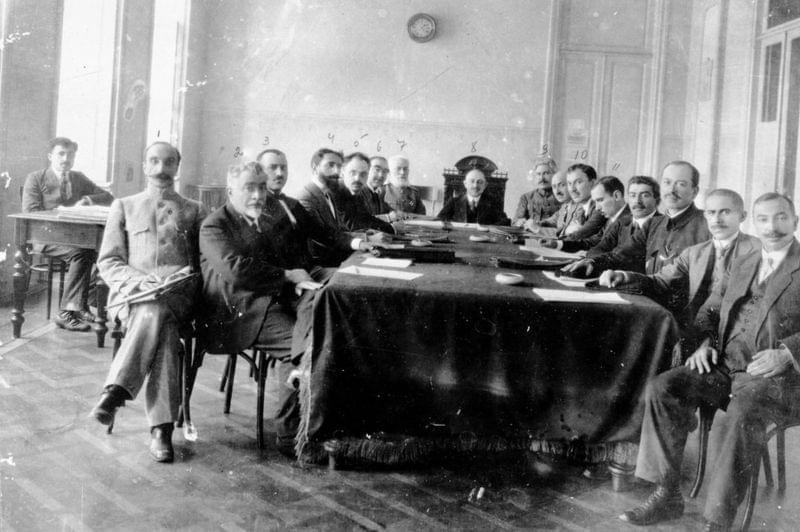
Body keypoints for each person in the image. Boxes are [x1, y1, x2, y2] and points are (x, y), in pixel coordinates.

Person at [619, 192, 800, 531]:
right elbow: (711, 309)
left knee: (738, 415)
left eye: (780, 218)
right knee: (663, 387)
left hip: (776, 378)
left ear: (795, 221)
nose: (772, 227)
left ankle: (717, 522)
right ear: (754, 221)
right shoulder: (744, 261)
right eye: (763, 219)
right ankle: (666, 493)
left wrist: (788, 353)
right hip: (726, 364)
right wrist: (704, 342)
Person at [89, 142, 206, 463]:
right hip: (132, 298)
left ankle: (116, 392)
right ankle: (161, 431)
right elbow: (109, 261)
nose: (161, 168)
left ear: (177, 167)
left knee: (159, 311)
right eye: (154, 161)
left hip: (178, 297)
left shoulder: (195, 210)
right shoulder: (124, 206)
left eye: (168, 162)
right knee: (162, 325)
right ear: (144, 166)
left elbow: (202, 265)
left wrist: (182, 276)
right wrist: (140, 282)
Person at [199, 161, 323, 457]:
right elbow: (236, 270)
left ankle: (311, 426)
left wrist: (294, 280)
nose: (257, 195)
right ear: (231, 190)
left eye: (262, 188)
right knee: (304, 348)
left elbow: (278, 263)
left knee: (320, 326)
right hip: (235, 311)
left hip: (267, 301)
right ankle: (290, 436)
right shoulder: (214, 225)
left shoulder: (262, 221)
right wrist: (287, 276)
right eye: (249, 188)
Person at [600, 189, 759, 347]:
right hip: (695, 332)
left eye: (725, 212)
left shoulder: (759, 251)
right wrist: (624, 276)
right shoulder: (694, 253)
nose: (717, 219)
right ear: (705, 216)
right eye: (711, 213)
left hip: (736, 339)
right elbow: (660, 282)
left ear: (742, 216)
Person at [22, 137, 114, 331]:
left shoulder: (78, 178)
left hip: (73, 239)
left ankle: (81, 305)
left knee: (104, 251)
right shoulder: (36, 178)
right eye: (61, 154)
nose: (66, 159)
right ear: (50, 156)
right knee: (81, 253)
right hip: (44, 238)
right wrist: (60, 213)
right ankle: (65, 313)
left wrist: (88, 199)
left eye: (70, 154)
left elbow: (108, 197)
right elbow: (30, 212)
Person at [566, 160, 711, 277]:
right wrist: (593, 262)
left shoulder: (708, 224)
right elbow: (622, 254)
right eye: (667, 182)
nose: (671, 190)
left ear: (694, 191)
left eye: (681, 184)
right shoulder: (654, 224)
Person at [257, 148, 355, 272]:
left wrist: (358, 243)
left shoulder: (292, 203)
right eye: (272, 167)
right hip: (286, 278)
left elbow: (321, 233)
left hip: (311, 270)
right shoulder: (255, 207)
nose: (280, 173)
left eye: (283, 168)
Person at [296, 148, 385, 266]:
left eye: (339, 166)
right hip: (323, 264)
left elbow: (341, 230)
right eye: (330, 165)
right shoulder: (306, 197)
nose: (336, 171)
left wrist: (366, 236)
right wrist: (365, 240)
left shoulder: (328, 194)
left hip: (340, 256)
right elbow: (323, 235)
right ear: (315, 167)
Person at [539, 175, 628, 252]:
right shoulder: (611, 219)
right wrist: (557, 244)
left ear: (617, 196)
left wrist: (588, 259)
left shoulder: (630, 222)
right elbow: (592, 242)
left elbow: (617, 256)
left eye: (600, 200)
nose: (597, 208)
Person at [536, 164, 605, 240]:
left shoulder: (599, 207)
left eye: (578, 182)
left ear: (592, 183)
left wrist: (567, 232)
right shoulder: (583, 207)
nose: (572, 189)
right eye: (569, 183)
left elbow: (580, 235)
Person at [336, 152, 396, 232]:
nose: (381, 175)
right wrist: (390, 223)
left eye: (385, 171)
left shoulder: (361, 193)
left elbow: (366, 218)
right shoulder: (338, 191)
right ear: (343, 171)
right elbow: (352, 225)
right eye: (377, 169)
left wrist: (392, 226)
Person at [436, 168, 510, 225]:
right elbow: (439, 220)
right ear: (465, 184)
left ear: (485, 185)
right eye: (472, 181)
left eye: (479, 182)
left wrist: (488, 228)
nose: (475, 186)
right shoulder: (454, 202)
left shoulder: (493, 203)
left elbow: (505, 222)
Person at [512, 156, 561, 227]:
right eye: (538, 174)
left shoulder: (562, 197)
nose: (541, 178)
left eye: (546, 173)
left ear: (554, 175)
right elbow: (515, 221)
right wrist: (519, 222)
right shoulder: (526, 197)